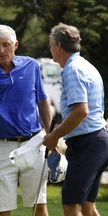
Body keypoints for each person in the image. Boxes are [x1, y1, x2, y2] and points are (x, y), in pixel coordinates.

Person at [0, 24, 52, 216]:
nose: (1, 50)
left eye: (6, 45)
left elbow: (42, 100)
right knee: (3, 208)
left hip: (33, 144)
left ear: (15, 44)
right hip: (0, 147)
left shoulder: (31, 66)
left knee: (39, 204)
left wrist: (51, 134)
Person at [43, 23, 108, 216]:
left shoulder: (72, 69)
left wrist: (54, 136)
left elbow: (81, 111)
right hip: (98, 142)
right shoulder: (86, 65)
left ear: (59, 46)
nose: (50, 49)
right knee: (88, 208)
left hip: (87, 145)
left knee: (71, 207)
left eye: (51, 45)